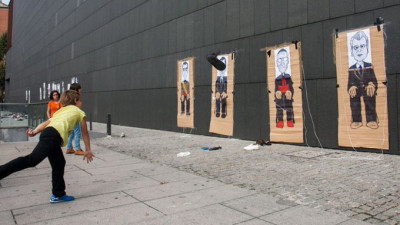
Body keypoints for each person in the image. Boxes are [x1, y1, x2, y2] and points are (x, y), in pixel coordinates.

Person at [0, 90, 93, 203]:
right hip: (53, 137)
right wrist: (88, 150)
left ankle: (58, 194)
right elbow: (85, 132)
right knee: (32, 160)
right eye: (80, 100)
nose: (81, 103)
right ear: (75, 101)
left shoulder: (60, 111)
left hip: (49, 134)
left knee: (59, 163)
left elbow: (45, 123)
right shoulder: (79, 112)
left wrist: (34, 132)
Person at [347, 31, 378, 129]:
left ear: (367, 49)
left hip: (366, 89)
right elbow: (350, 82)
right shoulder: (351, 68)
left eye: (362, 46)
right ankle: (356, 120)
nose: (359, 50)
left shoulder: (369, 66)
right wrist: (351, 86)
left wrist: (372, 85)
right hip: (357, 89)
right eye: (356, 48)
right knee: (353, 95)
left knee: (370, 94)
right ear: (352, 51)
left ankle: (371, 119)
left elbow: (374, 80)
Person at [274, 48, 294, 128]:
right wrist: (276, 92)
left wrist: (290, 91)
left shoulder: (288, 77)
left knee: (289, 108)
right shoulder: (277, 79)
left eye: (285, 59)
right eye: (279, 60)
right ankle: (280, 121)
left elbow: (291, 87)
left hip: (287, 96)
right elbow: (276, 88)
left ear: (288, 61)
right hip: (279, 97)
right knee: (279, 109)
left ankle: (289, 120)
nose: (282, 63)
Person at [66, 83, 84, 155]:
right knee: (77, 132)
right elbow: (77, 106)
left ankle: (69, 148)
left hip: (69, 115)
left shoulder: (68, 96)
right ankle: (77, 149)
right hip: (74, 115)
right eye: (79, 88)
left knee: (72, 133)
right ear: (76, 89)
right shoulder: (75, 96)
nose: (81, 90)